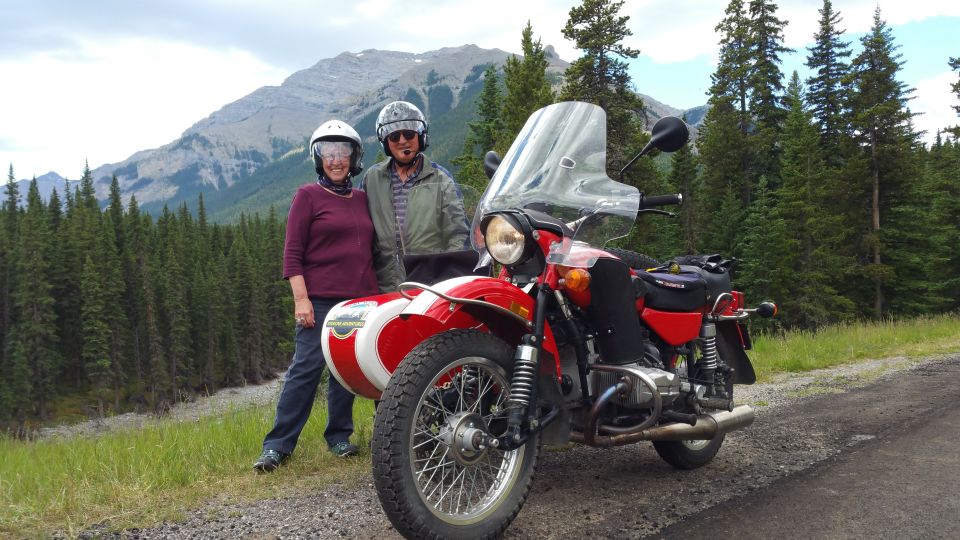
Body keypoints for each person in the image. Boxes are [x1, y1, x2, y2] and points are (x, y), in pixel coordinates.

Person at [253, 119, 378, 472]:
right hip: (319, 300)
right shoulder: (307, 196)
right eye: (328, 152)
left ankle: (339, 437)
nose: (336, 159)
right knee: (306, 369)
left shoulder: (362, 199)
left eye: (343, 152)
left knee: (345, 371)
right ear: (318, 157)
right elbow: (292, 252)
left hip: (359, 301)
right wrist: (300, 299)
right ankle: (277, 446)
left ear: (354, 157)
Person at [359, 101, 470, 292]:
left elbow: (458, 234)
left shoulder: (440, 179)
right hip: (383, 287)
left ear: (420, 136)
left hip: (429, 287)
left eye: (409, 134)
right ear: (386, 143)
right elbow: (359, 231)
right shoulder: (372, 179)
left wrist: (449, 280)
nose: (402, 140)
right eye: (394, 136)